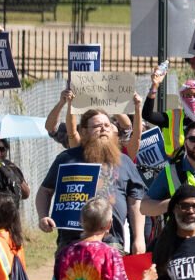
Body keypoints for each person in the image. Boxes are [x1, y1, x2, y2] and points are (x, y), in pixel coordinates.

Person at [37, 108, 146, 253]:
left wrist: (139, 238)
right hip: (71, 244)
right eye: (96, 126)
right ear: (84, 132)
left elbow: (135, 201)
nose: (103, 129)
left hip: (111, 243)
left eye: (107, 125)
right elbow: (45, 191)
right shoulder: (67, 159)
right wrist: (43, 216)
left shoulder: (124, 161)